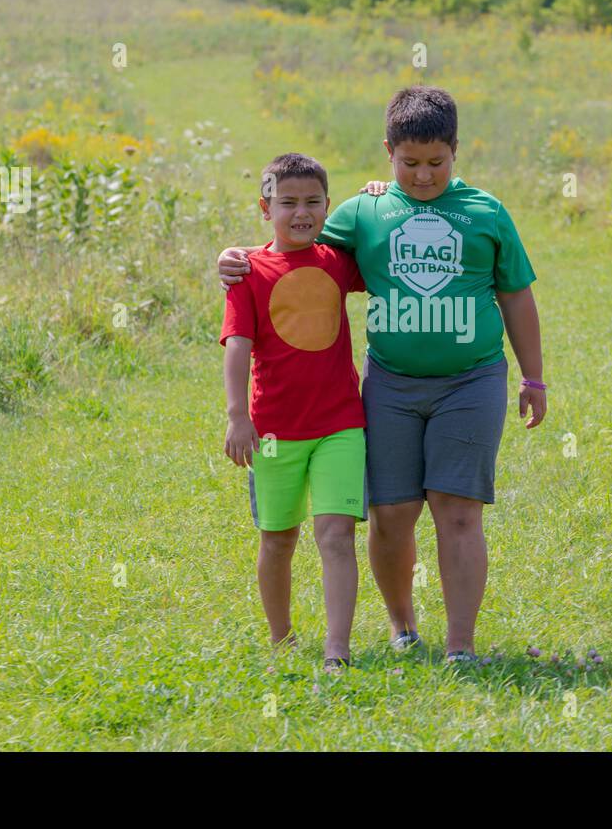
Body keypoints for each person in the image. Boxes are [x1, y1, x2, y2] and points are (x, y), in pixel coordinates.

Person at [219, 87, 545, 663]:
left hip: (472, 380)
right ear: (387, 152)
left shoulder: (486, 212)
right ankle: (402, 628)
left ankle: (461, 647)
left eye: (437, 163)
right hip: (389, 385)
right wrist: (235, 258)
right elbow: (296, 243)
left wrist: (534, 378)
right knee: (392, 515)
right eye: (409, 164)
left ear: (456, 152)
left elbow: (516, 296)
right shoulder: (365, 211)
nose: (423, 177)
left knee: (459, 509)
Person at [220, 152, 367, 672]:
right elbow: (236, 346)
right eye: (288, 203)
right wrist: (238, 416)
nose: (301, 212)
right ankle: (280, 638)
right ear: (265, 207)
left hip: (341, 425)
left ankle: (337, 650)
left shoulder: (336, 261)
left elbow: (376, 248)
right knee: (278, 538)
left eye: (313, 202)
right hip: (274, 432)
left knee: (335, 534)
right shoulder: (247, 272)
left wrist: (377, 198)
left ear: (329, 206)